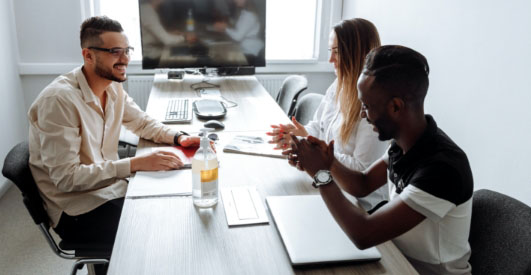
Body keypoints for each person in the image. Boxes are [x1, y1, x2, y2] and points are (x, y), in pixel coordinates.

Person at [286, 45, 473, 275]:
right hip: (395, 259)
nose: (363, 114)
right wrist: (327, 161)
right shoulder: (404, 142)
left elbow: (363, 234)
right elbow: (362, 184)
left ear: (396, 106)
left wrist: (321, 175)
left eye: (366, 106)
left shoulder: (443, 169)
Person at [27, 16, 199, 257]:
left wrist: (179, 137)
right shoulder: (58, 101)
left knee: (171, 201)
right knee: (162, 229)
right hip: (77, 208)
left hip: (109, 187)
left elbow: (141, 122)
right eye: (115, 51)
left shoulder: (112, 85)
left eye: (127, 50)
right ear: (88, 55)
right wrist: (135, 164)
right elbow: (66, 179)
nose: (126, 59)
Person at [268, 18, 389, 212]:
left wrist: (316, 153)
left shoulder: (373, 106)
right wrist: (302, 135)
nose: (330, 60)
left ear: (356, 54)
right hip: (330, 184)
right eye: (329, 51)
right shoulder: (338, 85)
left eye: (336, 52)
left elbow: (361, 171)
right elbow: (319, 125)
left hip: (361, 205)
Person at [213, 0, 264, 65]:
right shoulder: (244, 13)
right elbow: (240, 29)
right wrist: (226, 26)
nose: (234, 1)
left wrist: (225, 28)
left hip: (252, 52)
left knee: (221, 58)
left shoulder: (248, 16)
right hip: (248, 49)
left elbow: (237, 37)